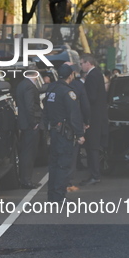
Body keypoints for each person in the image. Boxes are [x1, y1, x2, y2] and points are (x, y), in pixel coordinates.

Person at [42, 64, 85, 203]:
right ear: (71, 75)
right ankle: (59, 197)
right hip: (64, 133)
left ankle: (51, 196)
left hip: (54, 131)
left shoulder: (51, 89)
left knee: (54, 165)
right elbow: (74, 114)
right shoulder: (67, 92)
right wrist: (79, 134)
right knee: (63, 165)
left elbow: (45, 111)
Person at [79, 54, 108, 186]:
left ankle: (95, 175)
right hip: (99, 116)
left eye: (82, 63)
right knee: (93, 147)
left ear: (88, 63)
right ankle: (94, 174)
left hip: (93, 117)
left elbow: (91, 97)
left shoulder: (91, 76)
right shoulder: (97, 74)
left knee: (92, 147)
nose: (81, 66)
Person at [63, 62, 90, 192]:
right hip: (72, 125)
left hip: (58, 126)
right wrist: (85, 122)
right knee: (72, 155)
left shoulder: (53, 87)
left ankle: (60, 181)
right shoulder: (77, 86)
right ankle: (67, 182)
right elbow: (84, 106)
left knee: (59, 155)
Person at [16, 71, 42, 189]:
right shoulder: (29, 86)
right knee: (29, 153)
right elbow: (29, 106)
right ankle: (26, 180)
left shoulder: (22, 84)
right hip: (29, 124)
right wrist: (34, 123)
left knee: (26, 152)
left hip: (25, 123)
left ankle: (25, 179)